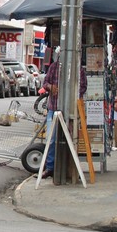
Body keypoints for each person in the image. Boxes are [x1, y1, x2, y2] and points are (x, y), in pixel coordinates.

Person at [41, 47, 87, 178]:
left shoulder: (78, 69)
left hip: (70, 109)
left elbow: (83, 87)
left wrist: (71, 92)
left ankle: (71, 169)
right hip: (54, 107)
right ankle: (50, 167)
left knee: (72, 139)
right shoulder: (54, 67)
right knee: (51, 139)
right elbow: (45, 83)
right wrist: (50, 87)